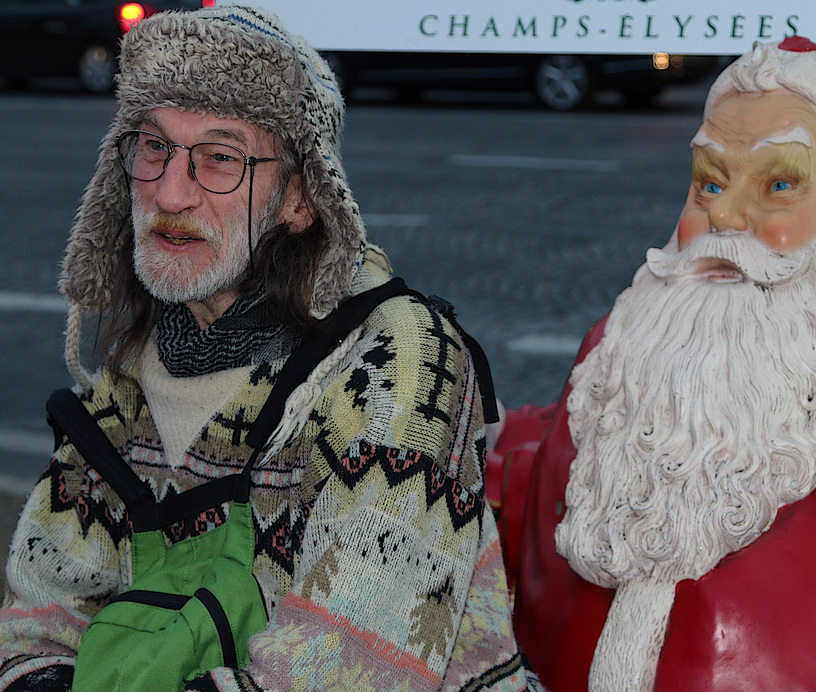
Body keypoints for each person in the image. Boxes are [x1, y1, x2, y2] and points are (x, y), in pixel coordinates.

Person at [0, 6, 538, 691]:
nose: (169, 191)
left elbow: (349, 667)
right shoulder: (125, 381)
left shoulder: (400, 362)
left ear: (302, 201)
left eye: (220, 158)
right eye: (155, 146)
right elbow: (39, 614)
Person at [488, 34, 816, 690]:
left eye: (778, 184)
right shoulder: (625, 360)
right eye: (709, 181)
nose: (726, 215)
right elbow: (530, 473)